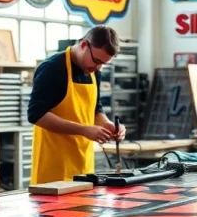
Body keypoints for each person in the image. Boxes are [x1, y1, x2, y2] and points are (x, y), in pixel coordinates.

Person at [28, 26, 126, 184]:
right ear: (84, 45)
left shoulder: (94, 71)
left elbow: (95, 108)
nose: (98, 68)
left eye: (103, 64)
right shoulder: (52, 68)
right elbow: (36, 115)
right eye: (97, 61)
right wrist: (84, 130)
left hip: (84, 166)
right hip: (54, 168)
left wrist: (108, 125)